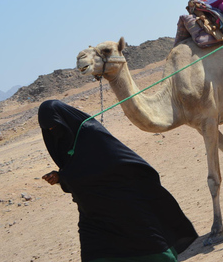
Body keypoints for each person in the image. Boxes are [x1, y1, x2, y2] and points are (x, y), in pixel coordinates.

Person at [39, 100, 198, 262]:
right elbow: (77, 171)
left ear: (64, 119)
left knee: (147, 245)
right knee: (94, 254)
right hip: (92, 215)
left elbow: (105, 167)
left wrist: (65, 176)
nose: (53, 131)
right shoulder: (63, 140)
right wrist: (61, 177)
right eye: (49, 130)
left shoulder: (90, 133)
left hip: (119, 203)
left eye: (54, 126)